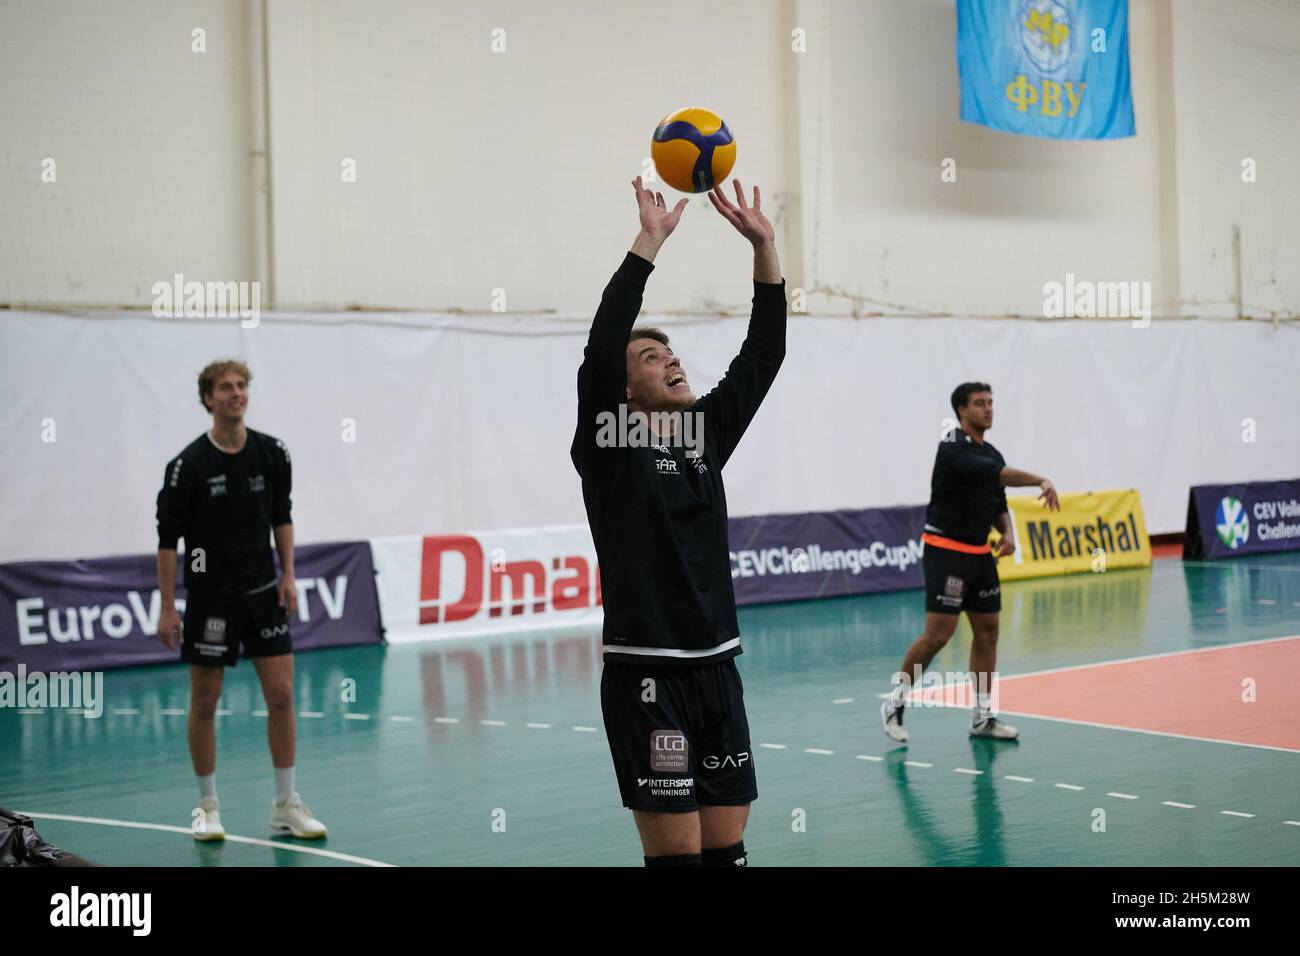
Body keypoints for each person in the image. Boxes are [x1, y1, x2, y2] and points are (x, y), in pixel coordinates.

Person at [571, 177, 785, 866]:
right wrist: (648, 245)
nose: (672, 361)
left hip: (718, 667)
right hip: (648, 676)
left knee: (728, 854)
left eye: (671, 352)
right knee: (680, 859)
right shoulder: (608, 442)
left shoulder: (703, 434)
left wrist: (765, 247)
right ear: (625, 390)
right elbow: (603, 346)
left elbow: (765, 353)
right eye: (652, 357)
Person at [156, 359, 326, 841]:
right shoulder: (187, 467)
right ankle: (207, 807)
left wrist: (289, 574)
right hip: (210, 600)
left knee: (283, 696)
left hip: (262, 594)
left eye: (241, 385)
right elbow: (168, 543)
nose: (236, 393)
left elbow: (281, 515)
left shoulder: (273, 453)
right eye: (225, 387)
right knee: (205, 702)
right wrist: (168, 606)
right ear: (208, 399)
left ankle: (286, 804)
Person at [881, 382, 1060, 743]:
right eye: (980, 403)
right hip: (945, 550)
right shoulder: (952, 446)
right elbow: (998, 476)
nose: (988, 409)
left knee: (989, 631)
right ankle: (894, 702)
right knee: (938, 635)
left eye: (991, 402)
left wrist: (1007, 533)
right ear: (962, 411)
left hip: (980, 553)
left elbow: (997, 500)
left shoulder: (991, 450)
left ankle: (982, 717)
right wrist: (1039, 479)